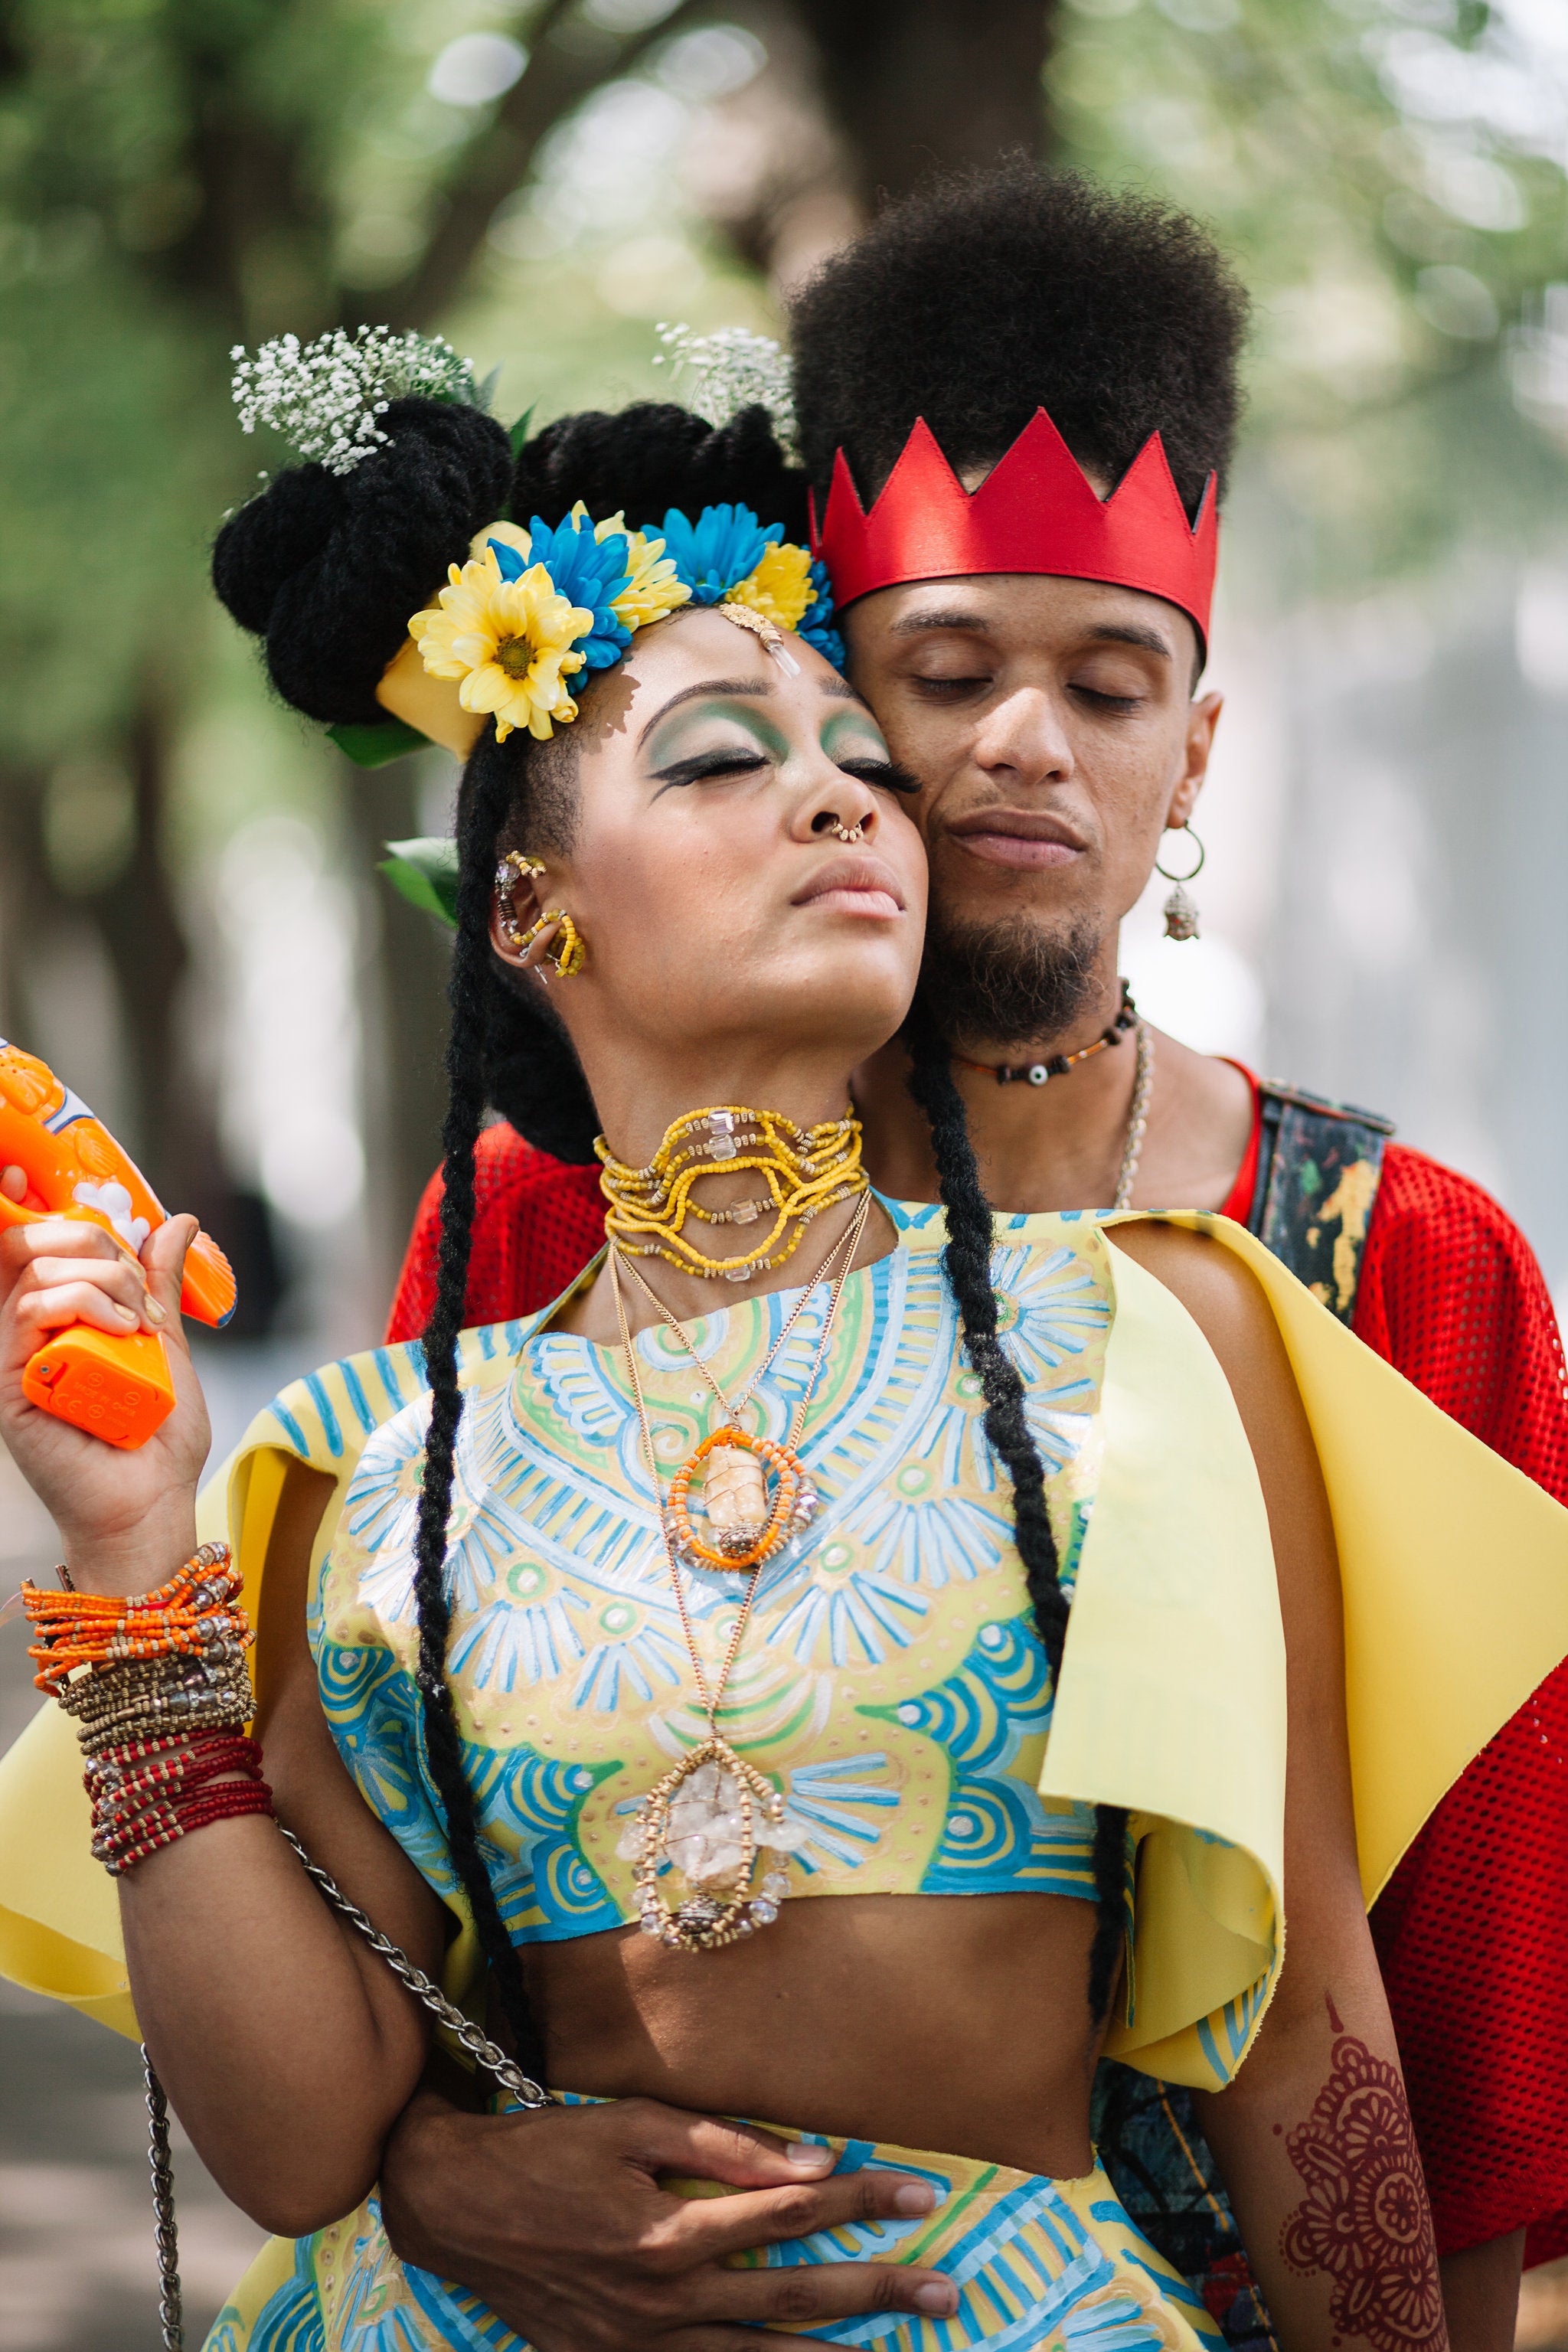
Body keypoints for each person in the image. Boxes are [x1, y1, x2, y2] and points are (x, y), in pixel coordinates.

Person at [4, 360, 1563, 2352]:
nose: (849, 796)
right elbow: (301, 2143)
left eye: (858, 758)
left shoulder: (1145, 1335)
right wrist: (134, 1555)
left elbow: (1303, 2048)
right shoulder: (382, 1455)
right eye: (725, 756)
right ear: (525, 906)